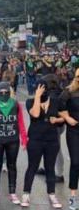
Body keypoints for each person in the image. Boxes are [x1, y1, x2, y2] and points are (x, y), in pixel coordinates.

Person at [21, 80, 64, 208]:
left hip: (52, 140)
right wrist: (38, 97)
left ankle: (52, 194)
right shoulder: (30, 102)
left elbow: (64, 117)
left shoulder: (56, 102)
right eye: (39, 89)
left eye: (44, 89)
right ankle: (26, 194)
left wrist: (57, 119)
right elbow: (35, 114)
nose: (42, 91)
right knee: (32, 167)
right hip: (35, 139)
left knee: (50, 168)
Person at [59, 68, 79, 210]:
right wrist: (67, 117)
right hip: (74, 131)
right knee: (76, 162)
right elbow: (59, 106)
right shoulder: (69, 91)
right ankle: (73, 197)